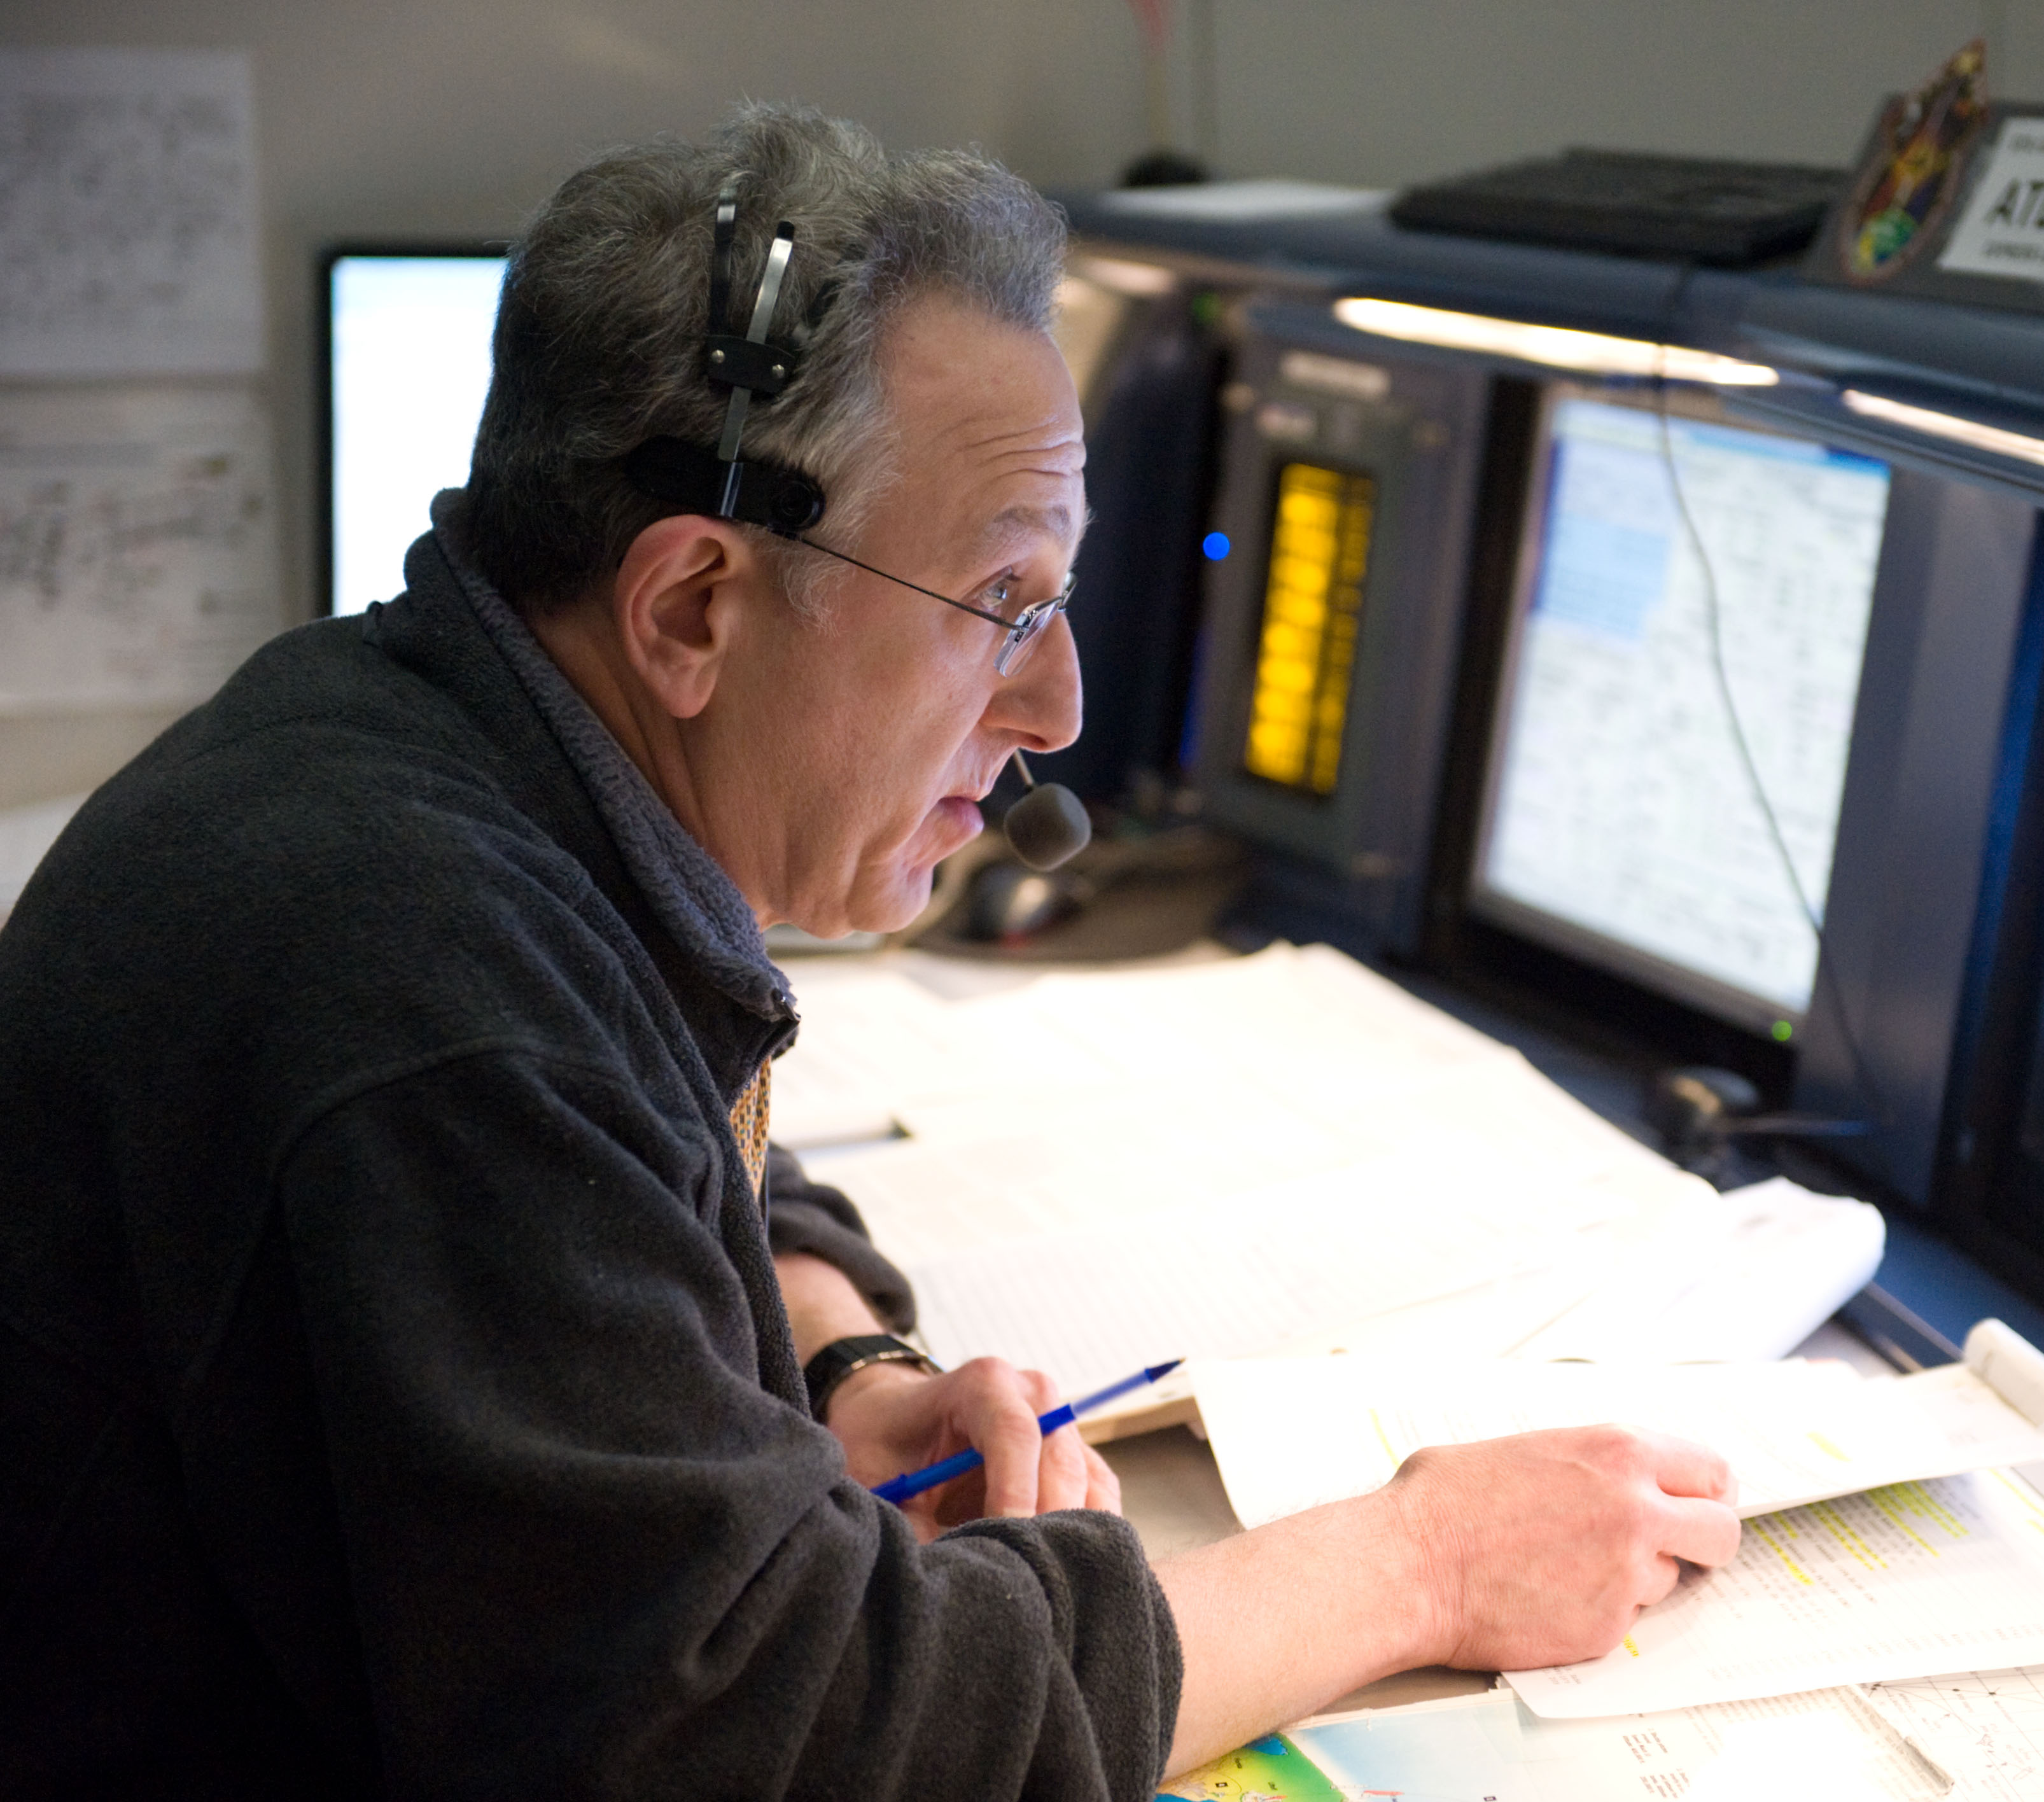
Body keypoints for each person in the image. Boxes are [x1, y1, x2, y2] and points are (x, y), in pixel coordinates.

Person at [0, 104, 1739, 1797]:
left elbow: (649, 1135)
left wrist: (834, 1352)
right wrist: (1418, 1566)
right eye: (1002, 604)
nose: (1053, 705)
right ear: (694, 606)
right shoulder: (425, 990)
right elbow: (780, 1739)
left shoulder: (431, 753)